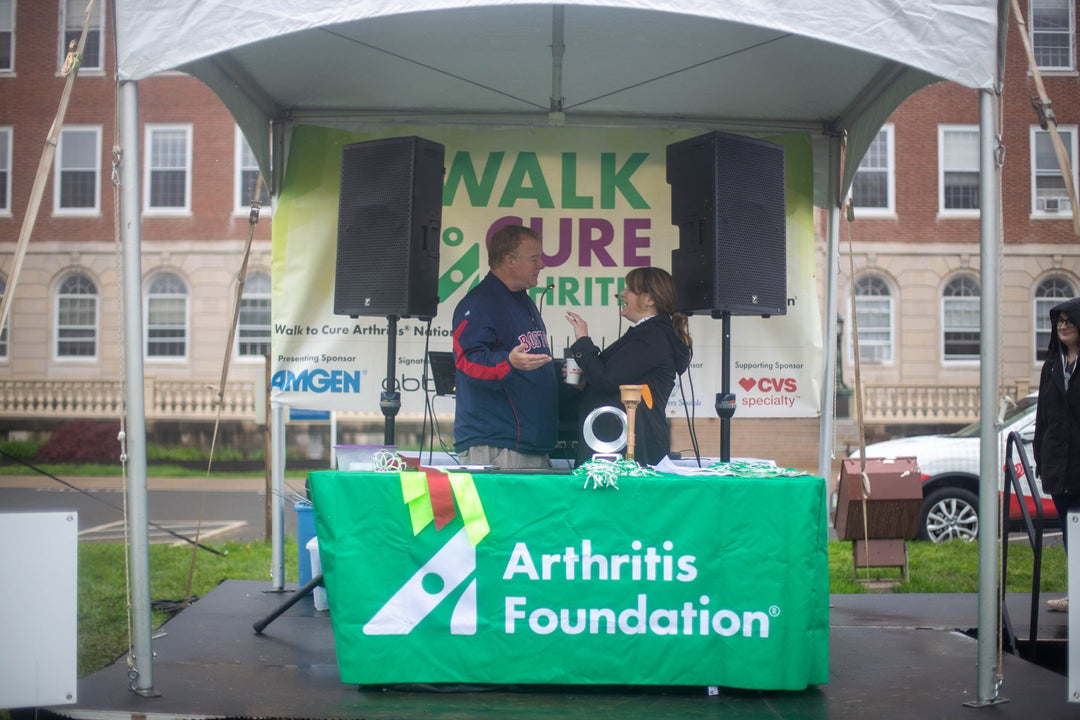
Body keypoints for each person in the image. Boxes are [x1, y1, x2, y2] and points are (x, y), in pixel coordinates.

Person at [452, 225, 557, 468]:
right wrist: (507, 362)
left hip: (528, 443)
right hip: (497, 443)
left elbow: (530, 366)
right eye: (534, 258)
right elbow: (466, 361)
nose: (542, 265)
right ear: (509, 260)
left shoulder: (522, 301)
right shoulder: (480, 303)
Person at [564, 267, 692, 466]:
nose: (622, 294)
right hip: (618, 441)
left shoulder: (653, 336)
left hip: (628, 447)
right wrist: (585, 381)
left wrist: (583, 341)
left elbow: (607, 380)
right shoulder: (648, 333)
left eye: (630, 289)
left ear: (650, 300)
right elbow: (615, 379)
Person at [1034, 297, 1080, 613]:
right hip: (1058, 465)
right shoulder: (1051, 366)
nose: (1063, 326)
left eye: (1069, 320)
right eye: (1059, 321)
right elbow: (1042, 417)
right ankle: (1075, 592)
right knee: (1069, 531)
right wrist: (1041, 458)